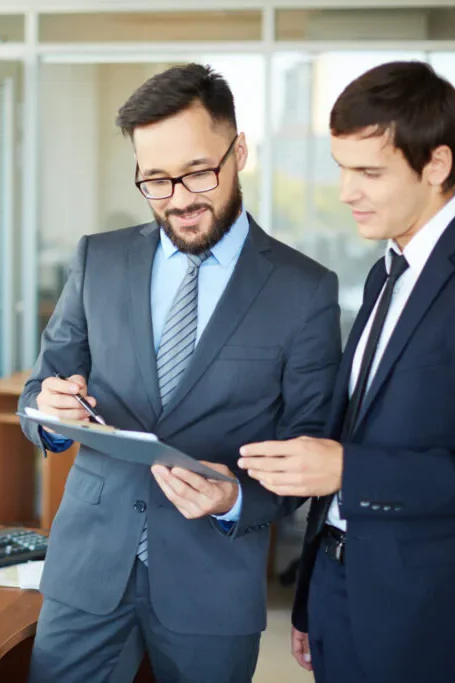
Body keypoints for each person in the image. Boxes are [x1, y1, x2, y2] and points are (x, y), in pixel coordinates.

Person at [19, 63, 340, 683]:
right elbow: (40, 392)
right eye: (155, 181)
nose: (180, 199)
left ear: (238, 150)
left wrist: (235, 497)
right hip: (87, 571)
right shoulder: (98, 259)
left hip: (212, 582)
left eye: (198, 172)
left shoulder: (305, 292)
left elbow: (309, 449)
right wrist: (52, 416)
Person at [238, 60, 455, 683]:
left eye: (369, 172)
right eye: (341, 168)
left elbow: (354, 461)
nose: (345, 192)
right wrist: (310, 599)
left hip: (425, 615)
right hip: (339, 591)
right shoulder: (384, 271)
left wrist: (347, 469)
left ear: (436, 166)